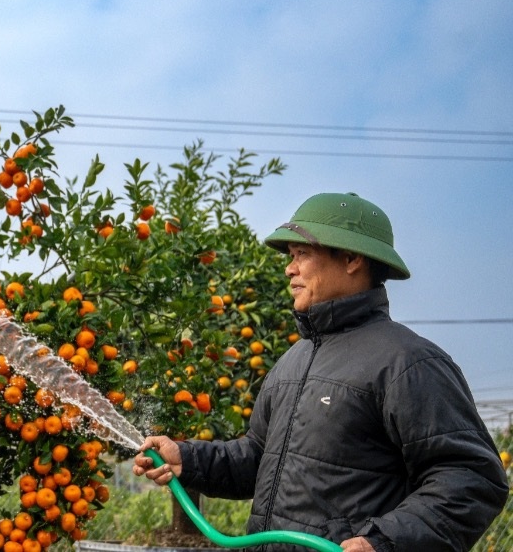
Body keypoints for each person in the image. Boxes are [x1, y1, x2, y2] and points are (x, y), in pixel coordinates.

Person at [132, 192, 508, 551]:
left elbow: (472, 478)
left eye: (301, 255)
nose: (288, 268)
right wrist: (190, 459)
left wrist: (386, 541)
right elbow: (258, 459)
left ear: (350, 260)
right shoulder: (293, 361)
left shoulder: (408, 363)